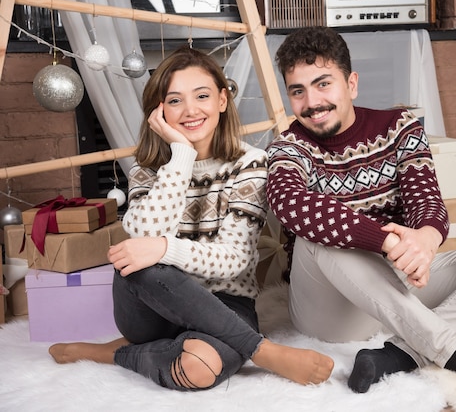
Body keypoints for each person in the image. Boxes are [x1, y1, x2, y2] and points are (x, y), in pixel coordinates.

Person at [266, 26, 456, 394]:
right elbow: (293, 205)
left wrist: (426, 241)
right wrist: (386, 243)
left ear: (351, 84)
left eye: (323, 84)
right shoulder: (287, 147)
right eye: (298, 91)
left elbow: (426, 200)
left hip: (395, 288)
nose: (312, 101)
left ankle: (399, 355)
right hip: (330, 311)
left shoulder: (400, 127)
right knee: (317, 236)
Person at [49, 45, 334, 391]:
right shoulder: (146, 170)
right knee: (141, 261)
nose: (190, 110)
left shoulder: (251, 164)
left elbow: (235, 258)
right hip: (149, 306)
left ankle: (117, 354)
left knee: (198, 370)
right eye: (174, 101)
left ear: (222, 101)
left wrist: (164, 249)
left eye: (202, 95)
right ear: (159, 111)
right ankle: (261, 350)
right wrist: (181, 155)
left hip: (224, 305)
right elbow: (143, 239)